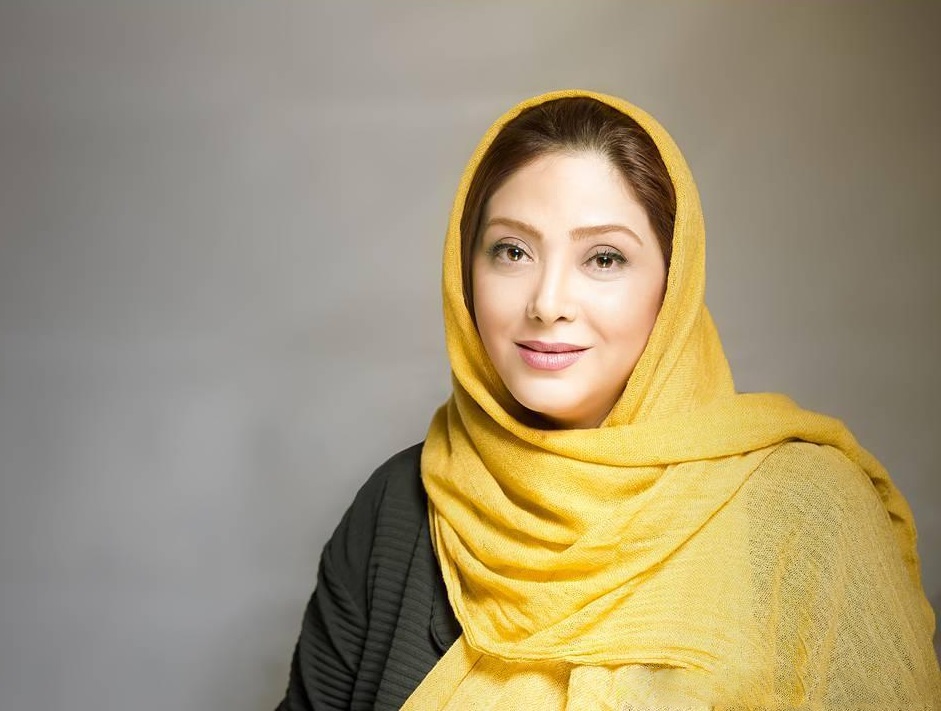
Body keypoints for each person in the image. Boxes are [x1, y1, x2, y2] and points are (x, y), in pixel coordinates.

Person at [276, 90, 941, 709]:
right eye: (512, 250)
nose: (547, 303)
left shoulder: (801, 512)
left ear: (672, 285)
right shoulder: (399, 506)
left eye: (603, 259)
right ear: (464, 270)